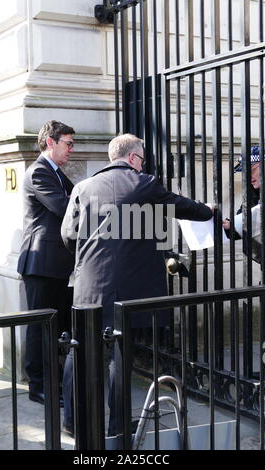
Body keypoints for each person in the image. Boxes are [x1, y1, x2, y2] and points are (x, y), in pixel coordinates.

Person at [61, 133, 214, 435]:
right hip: (127, 290)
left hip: (88, 285)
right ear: (133, 158)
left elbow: (68, 235)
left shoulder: (82, 187)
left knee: (78, 352)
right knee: (119, 355)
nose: (143, 166)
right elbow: (180, 206)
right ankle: (117, 426)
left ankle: (72, 422)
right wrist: (208, 210)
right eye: (142, 160)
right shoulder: (144, 184)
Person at [17, 120, 76, 405]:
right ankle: (38, 386)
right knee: (40, 327)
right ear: (51, 142)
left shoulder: (56, 172)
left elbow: (76, 198)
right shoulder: (40, 171)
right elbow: (64, 207)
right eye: (68, 143)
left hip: (56, 264)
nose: (71, 150)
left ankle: (53, 382)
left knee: (54, 326)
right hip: (41, 263)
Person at [223, 145, 262, 263]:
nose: (249, 177)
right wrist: (229, 226)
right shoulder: (252, 191)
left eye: (252, 170)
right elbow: (241, 222)